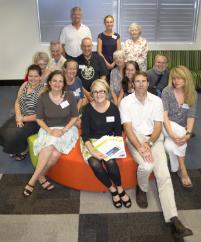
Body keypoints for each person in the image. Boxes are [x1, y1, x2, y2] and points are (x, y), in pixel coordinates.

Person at [119, 71, 193, 239]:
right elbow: (128, 129)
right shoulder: (125, 102)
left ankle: (174, 219)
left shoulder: (157, 101)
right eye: (137, 81)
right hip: (135, 139)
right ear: (132, 84)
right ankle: (142, 188)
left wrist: (150, 144)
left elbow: (158, 126)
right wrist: (140, 147)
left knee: (164, 176)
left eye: (143, 81)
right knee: (146, 166)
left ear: (147, 83)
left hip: (154, 139)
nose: (140, 84)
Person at [23, 70, 79, 196]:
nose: (57, 84)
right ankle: (38, 178)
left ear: (63, 83)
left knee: (53, 152)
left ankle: (35, 178)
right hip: (48, 128)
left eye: (60, 81)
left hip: (67, 129)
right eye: (54, 81)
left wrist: (63, 130)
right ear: (49, 82)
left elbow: (75, 117)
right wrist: (50, 131)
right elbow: (39, 119)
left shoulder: (69, 95)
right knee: (52, 150)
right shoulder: (43, 97)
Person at [81, 79, 131, 208]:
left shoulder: (113, 108)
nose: (98, 94)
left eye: (102, 91)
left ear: (107, 92)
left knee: (110, 162)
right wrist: (93, 152)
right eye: (95, 92)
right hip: (91, 142)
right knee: (95, 163)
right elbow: (85, 134)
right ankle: (112, 189)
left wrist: (115, 144)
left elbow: (118, 131)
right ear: (92, 93)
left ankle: (119, 188)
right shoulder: (87, 109)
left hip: (108, 141)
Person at [161, 66, 197, 189]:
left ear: (186, 79)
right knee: (177, 131)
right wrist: (170, 133)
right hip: (166, 126)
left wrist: (188, 133)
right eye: (174, 78)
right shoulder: (167, 91)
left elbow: (191, 116)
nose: (176, 81)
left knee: (169, 146)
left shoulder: (192, 93)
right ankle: (183, 169)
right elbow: (164, 115)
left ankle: (176, 168)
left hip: (182, 128)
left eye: (180, 78)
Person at [0, 65, 44, 161]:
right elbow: (17, 101)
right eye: (30, 76)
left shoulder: (43, 90)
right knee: (4, 130)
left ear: (40, 77)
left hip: (34, 120)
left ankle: (23, 150)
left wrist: (22, 119)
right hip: (21, 115)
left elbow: (40, 114)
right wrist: (18, 115)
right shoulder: (25, 85)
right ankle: (13, 148)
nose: (32, 78)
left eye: (36, 76)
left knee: (15, 134)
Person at [77, 37, 108, 102]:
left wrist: (96, 91)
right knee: (82, 102)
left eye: (88, 46)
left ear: (92, 46)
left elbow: (103, 76)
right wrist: (87, 94)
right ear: (81, 47)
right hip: (82, 91)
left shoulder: (99, 59)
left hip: (97, 90)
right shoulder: (77, 61)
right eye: (84, 46)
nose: (86, 48)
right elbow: (76, 80)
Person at [63, 60, 85, 127]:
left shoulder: (78, 80)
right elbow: (61, 105)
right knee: (79, 124)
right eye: (70, 68)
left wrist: (76, 112)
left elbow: (81, 98)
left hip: (77, 110)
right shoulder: (60, 83)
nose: (72, 71)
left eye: (74, 69)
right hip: (64, 112)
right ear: (65, 69)